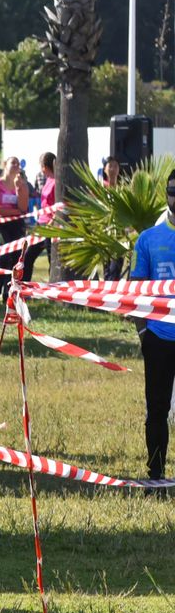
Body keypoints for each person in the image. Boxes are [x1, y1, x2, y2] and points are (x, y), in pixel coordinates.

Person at [129, 171, 175, 482]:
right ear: (166, 194)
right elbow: (135, 290)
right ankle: (155, 474)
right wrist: (144, 333)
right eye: (173, 191)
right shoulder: (148, 239)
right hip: (158, 336)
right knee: (157, 409)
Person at [0, 156, 34, 305]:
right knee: (3, 258)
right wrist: (15, 213)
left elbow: (23, 208)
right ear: (5, 165)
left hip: (16, 226)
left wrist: (20, 188)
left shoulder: (22, 185)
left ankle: (9, 294)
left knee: (15, 260)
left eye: (18, 164)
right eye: (13, 162)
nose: (16, 166)